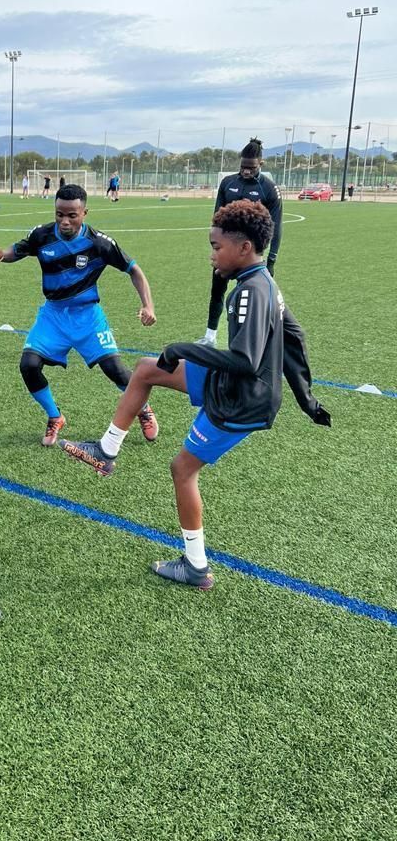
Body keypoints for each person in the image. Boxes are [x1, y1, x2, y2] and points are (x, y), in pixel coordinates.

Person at [58, 200, 331, 589]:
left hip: (239, 400)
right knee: (146, 369)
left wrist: (181, 349)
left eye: (217, 247)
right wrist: (307, 401)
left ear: (244, 248)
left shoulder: (250, 293)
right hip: (235, 385)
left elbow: (246, 360)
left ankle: (196, 566)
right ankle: (107, 450)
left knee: (182, 469)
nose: (212, 255)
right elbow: (294, 339)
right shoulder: (265, 281)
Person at [0, 183, 158, 447]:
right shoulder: (41, 235)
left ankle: (143, 409)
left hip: (88, 317)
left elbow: (134, 269)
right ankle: (55, 416)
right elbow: (16, 251)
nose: (64, 221)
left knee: (115, 370)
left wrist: (148, 305)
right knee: (28, 366)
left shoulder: (99, 243)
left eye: (72, 215)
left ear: (84, 213)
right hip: (53, 316)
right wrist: (0, 255)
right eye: (59, 214)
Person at [197, 137, 282, 346]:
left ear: (260, 163)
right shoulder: (228, 183)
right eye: (243, 166)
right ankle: (210, 337)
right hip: (227, 250)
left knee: (254, 297)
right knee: (217, 291)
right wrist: (216, 249)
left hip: (250, 255)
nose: (246, 171)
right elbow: (216, 217)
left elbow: (276, 226)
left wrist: (271, 259)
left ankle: (257, 342)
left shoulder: (269, 189)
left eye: (251, 168)